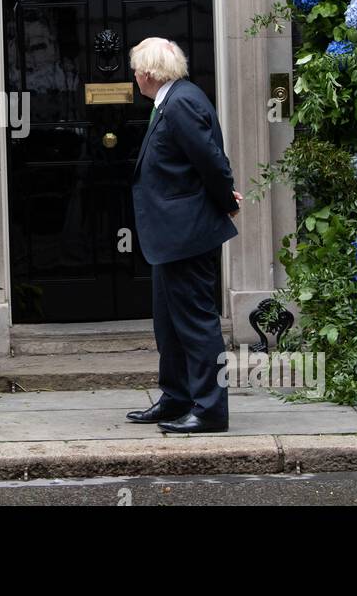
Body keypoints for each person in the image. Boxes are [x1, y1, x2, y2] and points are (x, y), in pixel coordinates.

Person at [125, 37, 242, 434]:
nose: (135, 75)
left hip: (187, 234)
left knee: (196, 324)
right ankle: (176, 397)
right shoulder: (173, 101)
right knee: (169, 324)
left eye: (136, 69)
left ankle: (210, 410)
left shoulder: (182, 103)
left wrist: (226, 197)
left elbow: (210, 159)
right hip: (171, 237)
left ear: (148, 73)